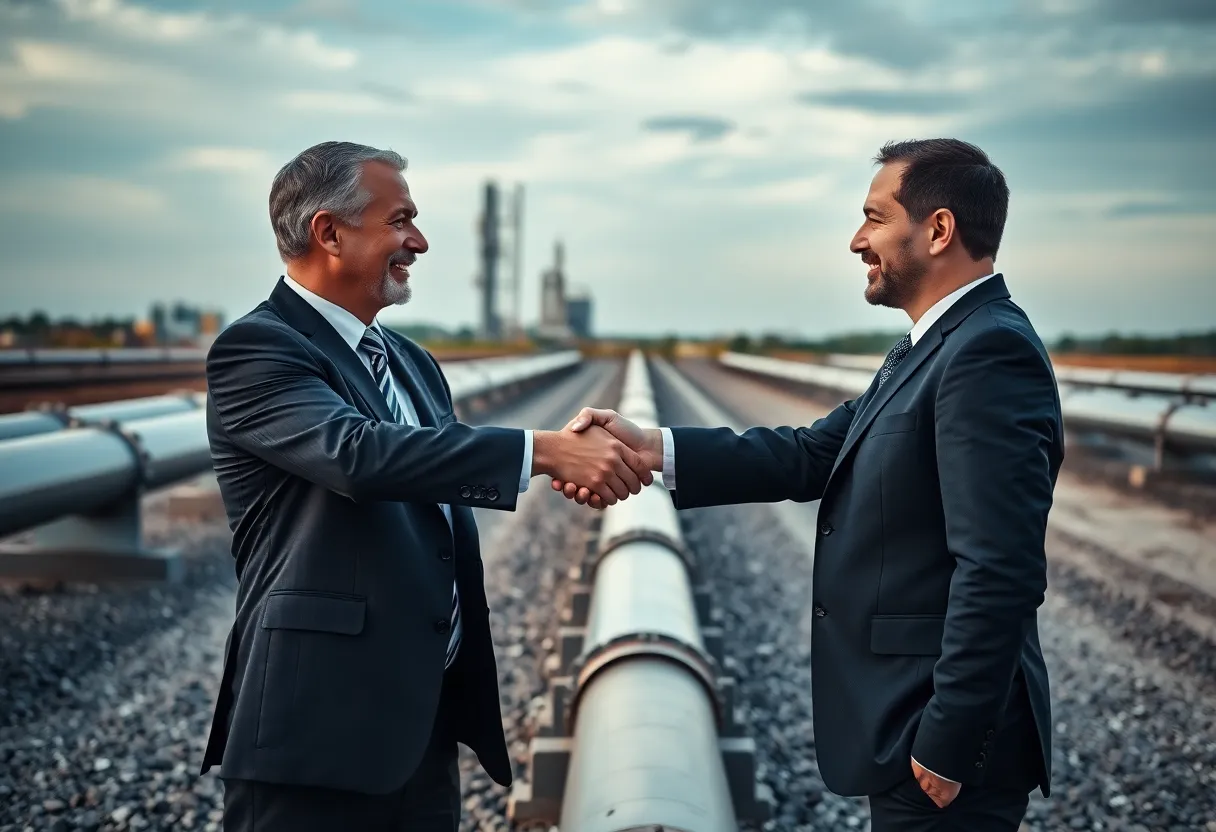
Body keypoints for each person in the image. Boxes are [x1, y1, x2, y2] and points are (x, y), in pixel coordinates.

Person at [555, 138, 1059, 831]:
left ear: (938, 229)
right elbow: (810, 453)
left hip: (942, 740)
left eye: (875, 218)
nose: (857, 240)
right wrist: (653, 448)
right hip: (909, 718)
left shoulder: (986, 353)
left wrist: (947, 742)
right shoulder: (936, 345)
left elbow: (1000, 567)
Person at [198, 140, 652, 832]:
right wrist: (545, 453)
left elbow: (431, 467)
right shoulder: (259, 349)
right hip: (315, 735)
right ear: (329, 232)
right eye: (401, 219)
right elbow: (358, 456)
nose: (420, 240)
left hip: (419, 728)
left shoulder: (410, 361)